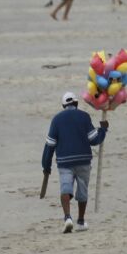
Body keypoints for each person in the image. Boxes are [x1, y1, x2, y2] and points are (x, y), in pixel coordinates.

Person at [42, 92, 109, 233]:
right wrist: (103, 129)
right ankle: (81, 221)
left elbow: (50, 145)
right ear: (76, 104)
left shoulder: (56, 120)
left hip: (64, 161)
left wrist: (46, 165)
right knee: (82, 190)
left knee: (66, 188)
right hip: (83, 159)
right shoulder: (84, 117)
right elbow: (94, 140)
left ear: (63, 105)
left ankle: (67, 218)